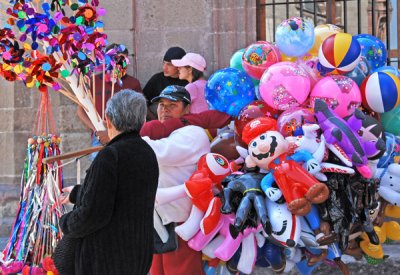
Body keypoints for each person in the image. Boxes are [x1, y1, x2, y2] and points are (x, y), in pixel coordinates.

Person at [56, 90, 158, 275]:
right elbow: (120, 194)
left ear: (108, 120)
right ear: (142, 121)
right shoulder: (146, 152)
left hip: (106, 258)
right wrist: (77, 193)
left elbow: (94, 213)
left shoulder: (110, 155)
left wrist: (65, 222)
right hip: (137, 254)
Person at [141, 85, 209, 275]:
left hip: (181, 220)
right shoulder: (163, 133)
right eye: (162, 105)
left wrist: (125, 137)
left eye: (173, 105)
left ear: (187, 109)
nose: (165, 110)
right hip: (157, 219)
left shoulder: (194, 133)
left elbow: (159, 153)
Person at [76, 44, 142, 151]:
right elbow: (80, 110)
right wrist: (96, 129)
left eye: (123, 59)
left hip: (124, 135)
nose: (119, 63)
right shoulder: (94, 81)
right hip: (100, 135)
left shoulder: (133, 83)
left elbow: (139, 114)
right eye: (115, 58)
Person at [143, 46, 189, 120]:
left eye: (169, 65)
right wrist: (156, 121)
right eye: (164, 63)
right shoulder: (157, 79)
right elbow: (142, 103)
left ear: (179, 66)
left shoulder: (188, 81)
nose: (164, 67)